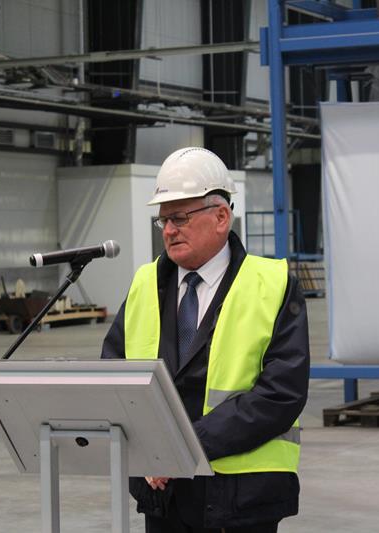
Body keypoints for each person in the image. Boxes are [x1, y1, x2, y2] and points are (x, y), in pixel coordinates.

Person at [101, 147, 310, 533]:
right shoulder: (145, 284)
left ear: (221, 217)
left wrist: (181, 445)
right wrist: (150, 449)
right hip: (162, 496)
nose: (168, 230)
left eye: (179, 217)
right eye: (163, 219)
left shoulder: (273, 285)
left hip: (241, 497)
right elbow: (115, 379)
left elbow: (281, 393)